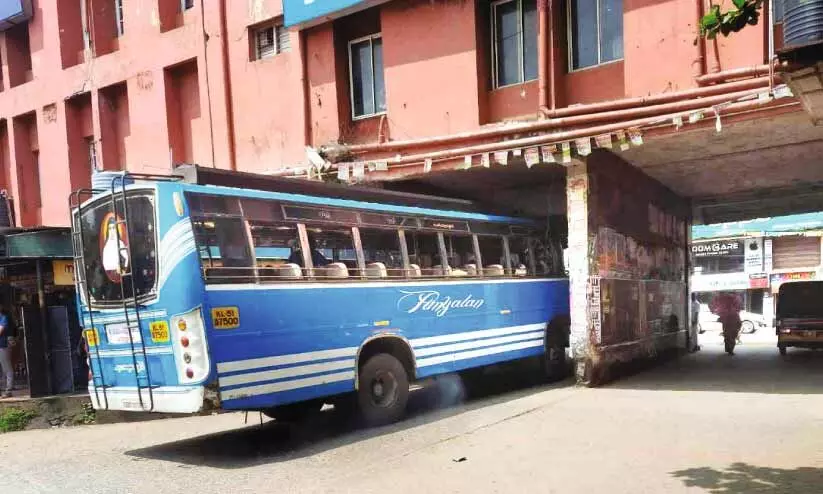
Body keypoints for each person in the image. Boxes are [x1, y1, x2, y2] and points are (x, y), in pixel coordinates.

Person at [0, 307, 13, 397]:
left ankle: (8, 390)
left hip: (3, 345)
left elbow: (0, 330)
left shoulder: (3, 318)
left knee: (6, 368)